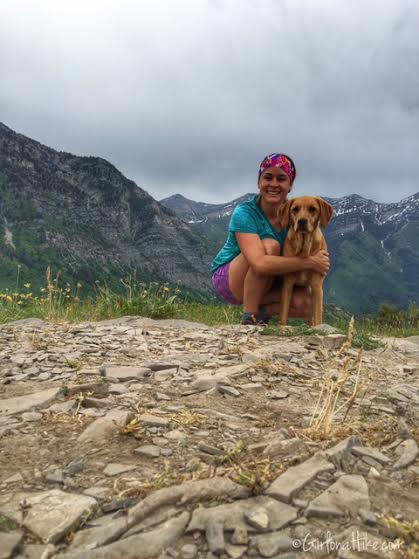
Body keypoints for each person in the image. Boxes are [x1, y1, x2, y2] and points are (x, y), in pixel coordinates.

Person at [211, 153, 330, 325]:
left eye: (281, 179)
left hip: (271, 278)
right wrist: (310, 262)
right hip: (230, 279)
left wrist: (318, 260)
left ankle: (262, 313)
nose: (274, 184)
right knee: (270, 246)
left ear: (290, 186)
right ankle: (249, 319)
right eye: (268, 177)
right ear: (259, 182)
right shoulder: (244, 213)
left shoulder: (296, 211)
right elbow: (259, 263)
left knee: (305, 303)